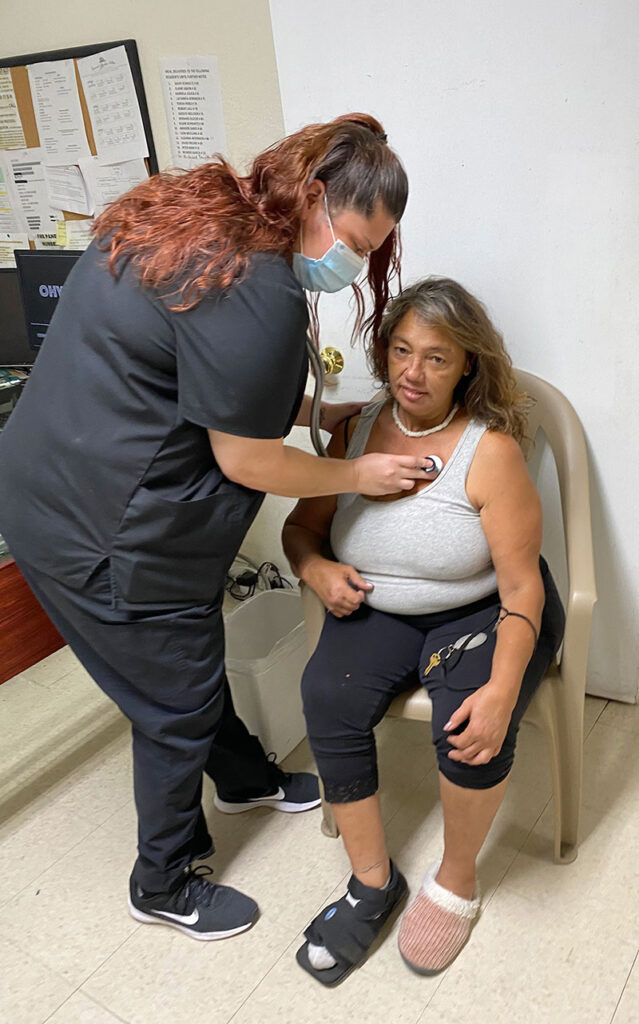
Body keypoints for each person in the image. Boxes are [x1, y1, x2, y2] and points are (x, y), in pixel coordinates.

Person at [0, 114, 436, 941]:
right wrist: (357, 474)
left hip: (57, 471)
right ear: (311, 195)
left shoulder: (197, 211)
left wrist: (314, 409)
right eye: (352, 240)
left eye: (371, 252)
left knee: (187, 662)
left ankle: (240, 778)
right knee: (175, 696)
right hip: (96, 524)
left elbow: (196, 375)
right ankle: (162, 880)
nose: (353, 266)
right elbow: (248, 462)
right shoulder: (256, 288)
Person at [283, 277, 566, 984]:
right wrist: (315, 570)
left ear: (467, 363)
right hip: (380, 607)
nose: (413, 372)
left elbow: (522, 585)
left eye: (436, 357)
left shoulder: (489, 450)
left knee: (469, 723)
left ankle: (456, 879)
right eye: (401, 350)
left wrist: (503, 689)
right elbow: (300, 530)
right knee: (326, 691)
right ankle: (371, 883)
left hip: (483, 608)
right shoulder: (353, 430)